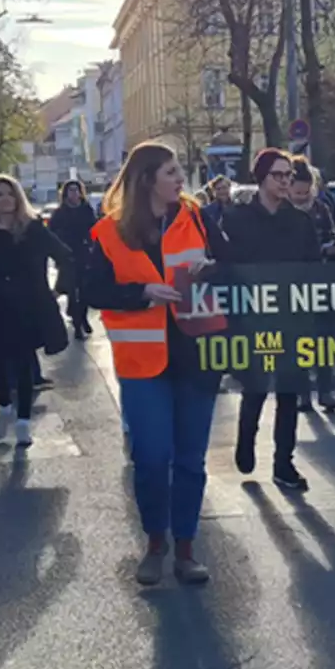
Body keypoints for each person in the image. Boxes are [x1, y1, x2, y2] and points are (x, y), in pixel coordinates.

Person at [84, 141, 230, 585]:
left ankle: (186, 549)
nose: (180, 178)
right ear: (147, 178)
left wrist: (211, 269)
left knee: (190, 460)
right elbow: (89, 291)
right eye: (171, 171)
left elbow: (231, 267)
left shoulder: (198, 218)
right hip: (143, 363)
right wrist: (140, 293)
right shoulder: (108, 231)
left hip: (198, 354)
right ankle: (154, 542)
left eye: (179, 170)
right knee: (151, 458)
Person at [228, 148, 321, 491]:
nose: (285, 181)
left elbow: (314, 269)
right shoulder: (237, 219)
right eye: (278, 175)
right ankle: (246, 442)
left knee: (288, 393)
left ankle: (284, 463)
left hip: (292, 319)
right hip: (253, 321)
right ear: (261, 178)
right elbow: (226, 268)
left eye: (289, 176)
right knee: (255, 388)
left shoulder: (300, 221)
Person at [0, 175, 71, 446]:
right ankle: (4, 407)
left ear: (18, 197)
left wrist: (58, 289)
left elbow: (64, 255)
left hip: (27, 306)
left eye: (9, 194)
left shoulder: (32, 227)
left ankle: (23, 422)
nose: (5, 199)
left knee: (23, 363)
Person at [289, 156, 335, 411]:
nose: (302, 197)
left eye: (306, 192)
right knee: (300, 340)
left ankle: (325, 391)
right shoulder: (283, 211)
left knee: (324, 339)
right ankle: (303, 392)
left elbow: (334, 236)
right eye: (298, 192)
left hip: (322, 282)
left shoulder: (321, 209)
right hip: (293, 285)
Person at [50, 179, 98, 339]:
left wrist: (92, 246)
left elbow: (94, 230)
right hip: (67, 257)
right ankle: (77, 325)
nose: (74, 193)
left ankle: (82, 318)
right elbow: (51, 233)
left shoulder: (86, 210)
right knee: (72, 291)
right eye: (70, 190)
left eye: (76, 190)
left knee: (84, 291)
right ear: (65, 193)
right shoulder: (60, 212)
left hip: (84, 256)